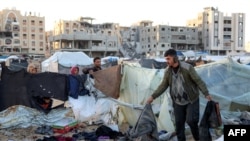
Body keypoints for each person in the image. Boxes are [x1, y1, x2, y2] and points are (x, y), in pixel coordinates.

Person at [146, 49, 212, 141]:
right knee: (179, 125)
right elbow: (163, 85)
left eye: (168, 59)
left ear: (175, 58)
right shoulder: (168, 71)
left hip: (191, 100)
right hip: (177, 102)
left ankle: (198, 138)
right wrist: (152, 96)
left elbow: (198, 81)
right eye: (166, 59)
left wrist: (206, 93)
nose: (167, 61)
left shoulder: (187, 68)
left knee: (192, 121)